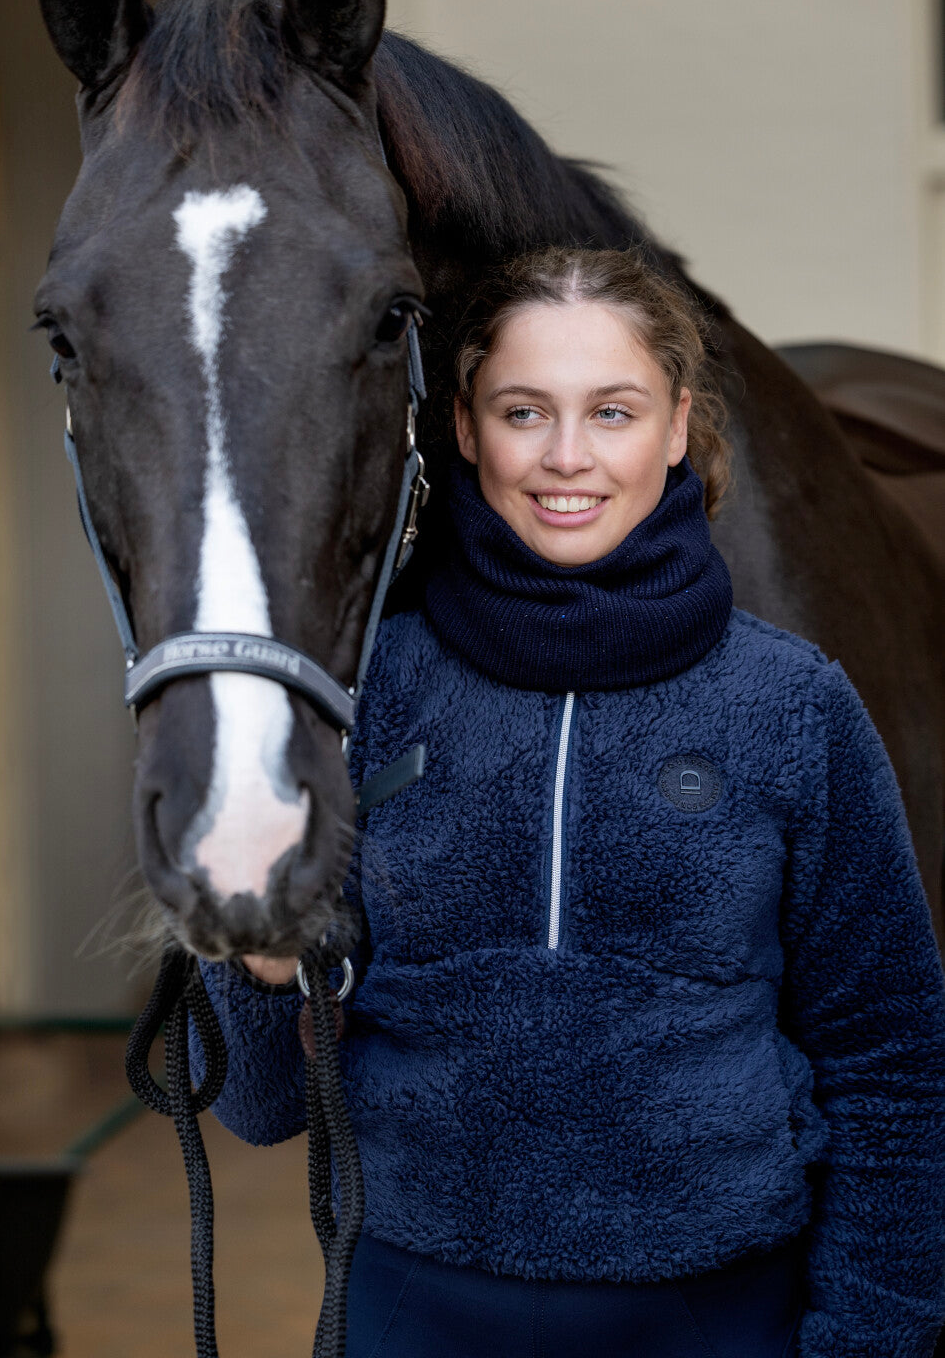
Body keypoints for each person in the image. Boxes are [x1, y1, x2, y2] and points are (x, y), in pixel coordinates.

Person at [200, 247, 945, 1358]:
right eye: (521, 409)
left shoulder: (790, 704)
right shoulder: (372, 691)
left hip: (718, 1313)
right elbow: (261, 1104)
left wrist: (869, 1341)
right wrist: (250, 959)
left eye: (610, 411)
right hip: (413, 1309)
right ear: (462, 427)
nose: (564, 456)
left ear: (677, 425)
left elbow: (890, 1059)